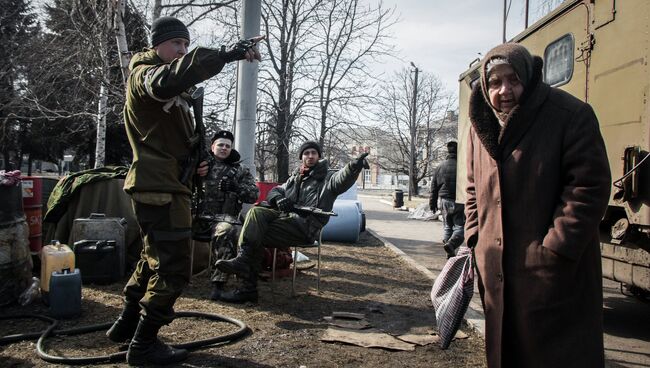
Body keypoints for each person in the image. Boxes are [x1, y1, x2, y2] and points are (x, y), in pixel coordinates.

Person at [105, 16, 263, 366]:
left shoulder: (170, 86)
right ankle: (144, 344)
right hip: (159, 188)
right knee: (175, 267)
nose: (181, 50)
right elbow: (167, 80)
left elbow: (171, 140)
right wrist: (225, 54)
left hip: (166, 184)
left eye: (185, 45)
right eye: (176, 43)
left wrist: (195, 166)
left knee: (152, 259)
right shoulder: (146, 74)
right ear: (157, 44)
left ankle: (127, 324)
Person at [464, 43, 610, 367]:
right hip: (497, 271)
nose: (504, 90)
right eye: (494, 82)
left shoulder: (570, 115)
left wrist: (554, 250)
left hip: (554, 276)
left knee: (554, 355)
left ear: (528, 78)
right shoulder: (479, 126)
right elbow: (473, 188)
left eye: (512, 79)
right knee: (505, 353)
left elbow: (589, 187)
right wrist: (475, 237)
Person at [215, 141, 368, 303]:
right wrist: (278, 198)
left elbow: (343, 178)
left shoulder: (328, 179)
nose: (310, 156)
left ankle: (246, 283)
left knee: (255, 233)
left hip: (305, 228)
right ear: (301, 157)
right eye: (306, 153)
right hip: (286, 223)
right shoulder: (296, 177)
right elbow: (275, 190)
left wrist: (354, 166)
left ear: (319, 156)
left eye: (313, 153)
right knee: (256, 216)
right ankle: (246, 278)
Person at [202, 130, 259, 301]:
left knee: (241, 232)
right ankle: (217, 286)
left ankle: (236, 286)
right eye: (220, 144)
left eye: (228, 146)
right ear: (212, 147)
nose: (224, 148)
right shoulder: (201, 165)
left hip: (227, 219)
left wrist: (236, 187)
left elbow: (253, 195)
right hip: (199, 218)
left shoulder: (239, 170)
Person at [429, 141, 465, 258]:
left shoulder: (440, 166)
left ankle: (449, 250)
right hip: (459, 200)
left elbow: (434, 187)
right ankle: (452, 245)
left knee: (447, 226)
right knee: (460, 227)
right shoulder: (463, 166)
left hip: (444, 200)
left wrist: (432, 203)